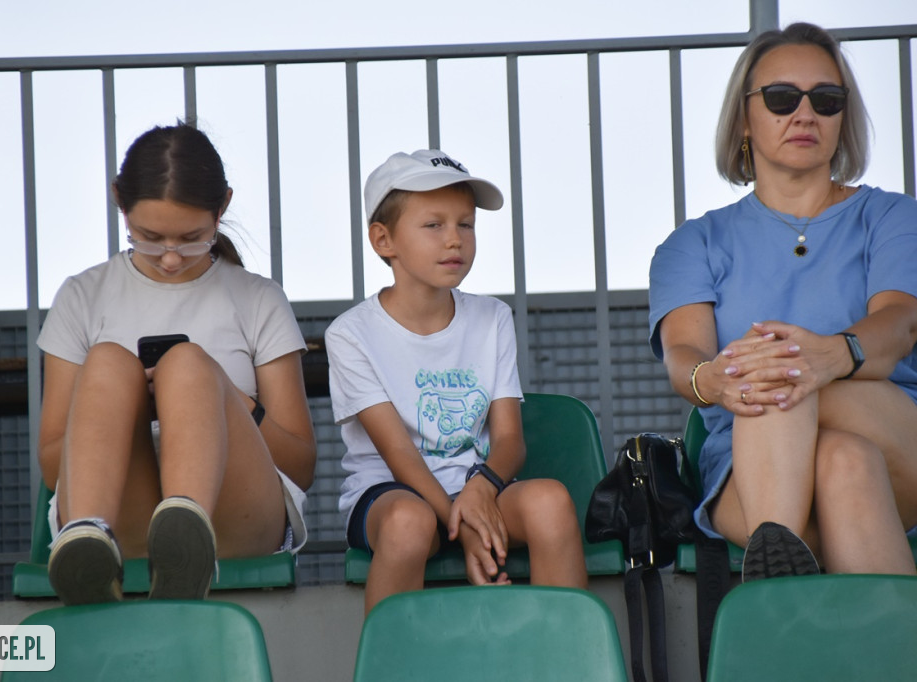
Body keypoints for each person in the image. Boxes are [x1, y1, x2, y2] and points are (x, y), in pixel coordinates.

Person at [648, 23, 917, 582]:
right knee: (841, 462)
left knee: (773, 364)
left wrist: (833, 356)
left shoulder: (893, 217)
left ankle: (777, 602)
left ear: (843, 118)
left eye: (826, 99)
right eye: (780, 98)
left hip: (895, 437)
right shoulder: (692, 243)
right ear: (744, 116)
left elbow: (899, 323)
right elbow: (684, 355)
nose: (805, 114)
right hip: (750, 461)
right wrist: (714, 378)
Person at [37, 124, 315, 605]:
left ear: (222, 208)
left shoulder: (258, 299)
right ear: (119, 202)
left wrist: (220, 396)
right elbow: (49, 468)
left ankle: (188, 541)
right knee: (107, 363)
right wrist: (130, 408)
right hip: (122, 509)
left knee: (186, 365)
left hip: (236, 516)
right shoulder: (82, 296)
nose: (169, 259)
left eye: (191, 239)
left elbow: (301, 464)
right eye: (149, 238)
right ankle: (88, 544)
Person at [326, 149, 588, 614]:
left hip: (480, 488)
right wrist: (462, 524)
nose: (455, 241)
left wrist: (481, 491)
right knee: (409, 524)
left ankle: (565, 655)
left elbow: (510, 440)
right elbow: (399, 455)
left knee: (550, 501)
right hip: (394, 495)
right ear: (383, 240)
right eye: (434, 225)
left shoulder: (492, 317)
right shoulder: (351, 334)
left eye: (465, 224)